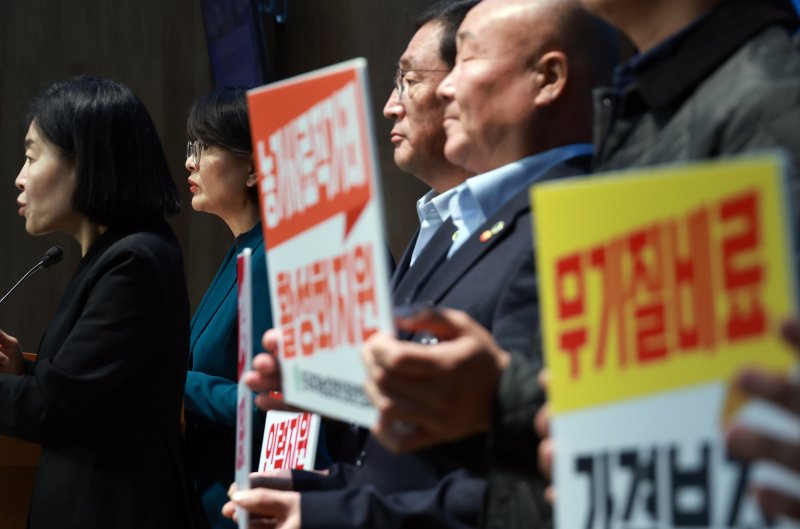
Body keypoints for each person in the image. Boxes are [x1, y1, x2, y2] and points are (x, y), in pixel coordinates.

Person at [226, 0, 617, 527]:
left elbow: (537, 481)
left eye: (467, 60)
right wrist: (318, 488)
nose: (448, 87)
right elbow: (411, 460)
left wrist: (333, 513)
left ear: (548, 77)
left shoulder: (581, 222)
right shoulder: (454, 223)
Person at [0, 75, 195, 528]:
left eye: (31, 157)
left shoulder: (135, 262)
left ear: (84, 162)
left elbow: (53, 407)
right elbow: (95, 399)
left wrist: (30, 388)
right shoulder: (116, 254)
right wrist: (20, 372)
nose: (19, 178)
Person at [182, 87, 276, 529]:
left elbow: (271, 405)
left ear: (254, 168)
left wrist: (173, 381)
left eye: (203, 147)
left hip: (245, 506)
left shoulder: (275, 257)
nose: (190, 162)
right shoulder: (242, 250)